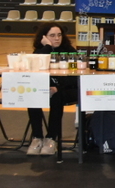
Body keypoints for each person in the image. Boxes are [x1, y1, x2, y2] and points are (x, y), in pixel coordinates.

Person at [26, 24, 79, 157]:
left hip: (67, 89)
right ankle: (37, 137)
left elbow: (75, 77)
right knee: (32, 96)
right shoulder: (41, 51)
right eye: (52, 35)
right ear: (44, 38)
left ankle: (51, 138)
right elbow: (34, 68)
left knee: (56, 97)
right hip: (45, 89)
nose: (57, 38)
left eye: (59, 35)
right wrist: (48, 47)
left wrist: (58, 87)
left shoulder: (70, 51)